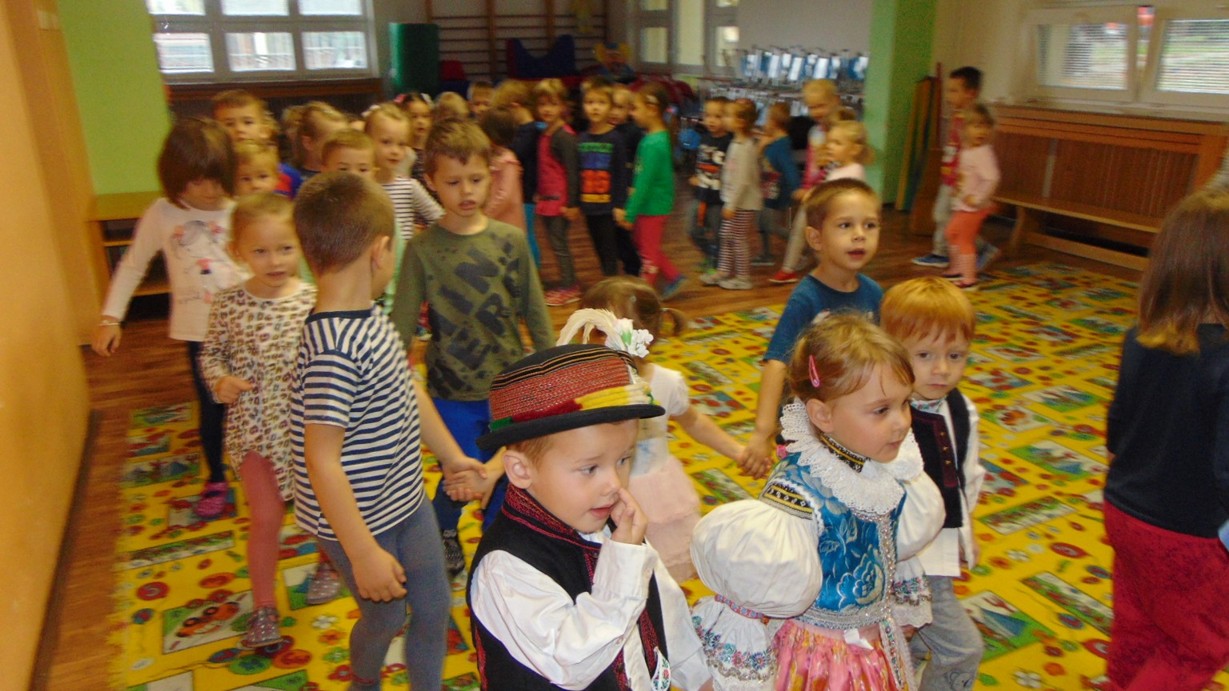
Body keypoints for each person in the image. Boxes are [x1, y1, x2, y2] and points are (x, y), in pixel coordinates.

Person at [290, 172, 485, 691]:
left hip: (404, 498)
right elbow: (321, 460)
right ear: (380, 252)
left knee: (435, 606)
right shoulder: (333, 349)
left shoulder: (369, 317)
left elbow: (407, 389)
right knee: (385, 615)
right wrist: (361, 553)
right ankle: (363, 681)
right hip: (354, 520)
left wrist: (450, 456)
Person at [466, 343, 714, 690]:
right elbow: (574, 663)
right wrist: (623, 563)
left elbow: (666, 608)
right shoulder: (506, 568)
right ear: (521, 470)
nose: (614, 484)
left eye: (623, 460)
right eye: (590, 468)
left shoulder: (615, 526)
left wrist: (699, 678)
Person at [390, 118, 554, 578]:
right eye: (453, 182)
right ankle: (444, 528)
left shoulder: (510, 240)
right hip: (450, 390)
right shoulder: (422, 249)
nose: (466, 191)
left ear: (490, 176)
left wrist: (549, 368)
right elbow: (401, 322)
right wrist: (390, 373)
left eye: (476, 180)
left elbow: (534, 308)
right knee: (461, 473)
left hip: (508, 387)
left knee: (507, 470)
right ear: (431, 181)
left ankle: (495, 541)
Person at [762, 314, 937, 689]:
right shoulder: (798, 492)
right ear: (823, 414)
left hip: (872, 641)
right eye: (881, 410)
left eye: (904, 404)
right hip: (818, 658)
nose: (902, 422)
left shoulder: (875, 467)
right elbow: (768, 585)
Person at [1103, 190, 1229, 690]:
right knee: (1196, 647)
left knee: (1137, 627)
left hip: (1124, 511)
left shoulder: (1139, 337)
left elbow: (1117, 430)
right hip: (1191, 537)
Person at [92, 117, 247, 521]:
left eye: (215, 179)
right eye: (196, 181)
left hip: (251, 330)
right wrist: (111, 317)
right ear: (175, 177)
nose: (208, 191)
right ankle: (216, 477)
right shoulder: (162, 214)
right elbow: (132, 265)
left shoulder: (242, 211)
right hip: (200, 335)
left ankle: (274, 469)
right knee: (212, 407)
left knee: (258, 402)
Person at [198, 193, 326, 646]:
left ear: (301, 246)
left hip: (307, 430)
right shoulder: (228, 303)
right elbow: (211, 353)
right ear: (237, 252)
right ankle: (265, 607)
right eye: (261, 251)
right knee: (266, 518)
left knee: (322, 511)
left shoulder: (314, 300)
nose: (275, 261)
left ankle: (328, 565)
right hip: (253, 431)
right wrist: (220, 380)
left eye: (285, 248)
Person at [573, 278, 745, 580]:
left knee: (659, 575)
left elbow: (693, 421)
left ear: (643, 335)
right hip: (601, 494)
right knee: (609, 573)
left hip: (657, 496)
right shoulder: (581, 386)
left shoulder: (666, 382)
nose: (593, 340)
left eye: (605, 331)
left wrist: (738, 451)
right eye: (589, 329)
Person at [880, 277, 986, 690]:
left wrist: (964, 535)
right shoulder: (884, 413)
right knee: (961, 650)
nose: (942, 369)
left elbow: (967, 476)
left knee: (903, 646)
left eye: (955, 355)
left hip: (938, 556)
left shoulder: (961, 408)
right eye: (925, 355)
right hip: (899, 560)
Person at [742, 178, 885, 477]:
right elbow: (777, 362)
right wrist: (762, 431)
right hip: (809, 422)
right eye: (845, 225)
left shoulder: (874, 294)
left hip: (852, 414)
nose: (860, 235)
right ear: (816, 238)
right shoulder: (807, 298)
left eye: (870, 225)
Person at [913, 67, 999, 272]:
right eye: (948, 90)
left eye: (953, 91)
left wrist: (965, 185)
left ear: (971, 93)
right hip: (952, 180)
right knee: (948, 218)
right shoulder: (958, 116)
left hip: (960, 183)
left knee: (945, 216)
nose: (948, 96)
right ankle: (949, 251)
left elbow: (976, 161)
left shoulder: (973, 123)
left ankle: (948, 252)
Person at [617, 82, 687, 301]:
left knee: (647, 254)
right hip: (652, 205)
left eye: (635, 108)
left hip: (652, 207)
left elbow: (645, 183)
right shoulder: (657, 138)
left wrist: (629, 213)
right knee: (647, 245)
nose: (632, 114)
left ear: (652, 110)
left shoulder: (652, 143)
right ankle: (674, 277)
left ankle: (643, 295)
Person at [771, 79, 841, 285]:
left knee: (828, 234)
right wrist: (806, 186)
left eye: (821, 105)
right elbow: (812, 165)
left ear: (835, 101)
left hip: (834, 192)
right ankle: (789, 268)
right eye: (811, 107)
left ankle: (833, 271)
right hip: (815, 191)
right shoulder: (814, 132)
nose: (816, 111)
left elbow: (836, 165)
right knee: (801, 228)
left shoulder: (841, 132)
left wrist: (817, 188)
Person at [701, 99, 762, 291]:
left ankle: (743, 278)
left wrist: (731, 204)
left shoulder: (745, 147)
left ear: (741, 122)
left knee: (737, 239)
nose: (725, 119)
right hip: (735, 201)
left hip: (743, 203)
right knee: (726, 236)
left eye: (728, 115)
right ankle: (723, 271)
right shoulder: (737, 143)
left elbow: (743, 181)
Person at [577, 77, 634, 277]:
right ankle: (608, 282)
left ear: (610, 107)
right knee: (599, 249)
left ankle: (612, 286)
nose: (595, 107)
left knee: (610, 251)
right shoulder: (582, 138)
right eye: (590, 102)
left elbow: (620, 174)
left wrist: (619, 205)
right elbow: (578, 172)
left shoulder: (615, 138)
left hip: (608, 208)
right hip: (589, 206)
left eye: (601, 103)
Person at [532, 78, 582, 306]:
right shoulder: (546, 133)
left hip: (560, 203)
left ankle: (570, 286)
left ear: (562, 105)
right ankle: (567, 282)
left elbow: (573, 172)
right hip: (547, 200)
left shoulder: (564, 136)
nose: (546, 109)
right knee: (555, 243)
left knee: (560, 244)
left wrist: (572, 204)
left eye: (552, 104)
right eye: (542, 104)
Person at [940, 104, 999, 291]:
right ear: (964, 128)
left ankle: (969, 278)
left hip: (974, 208)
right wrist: (957, 190)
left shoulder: (982, 153)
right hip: (963, 205)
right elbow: (966, 176)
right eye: (976, 126)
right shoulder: (969, 151)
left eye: (985, 126)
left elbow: (992, 178)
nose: (981, 131)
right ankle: (958, 268)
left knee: (964, 240)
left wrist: (978, 198)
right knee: (951, 233)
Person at [364, 103, 443, 239]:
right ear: (368, 140)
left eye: (401, 144)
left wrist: (422, 241)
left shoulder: (409, 187)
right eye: (386, 142)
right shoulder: (362, 187)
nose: (395, 151)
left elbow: (440, 218)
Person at [211, 89, 301, 198]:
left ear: (264, 130)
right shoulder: (214, 176)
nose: (239, 129)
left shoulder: (288, 176)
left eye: (248, 122)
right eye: (229, 124)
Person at [491, 79, 542, 266]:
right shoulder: (523, 130)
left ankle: (533, 269)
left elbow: (514, 153)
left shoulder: (530, 131)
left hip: (526, 193)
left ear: (514, 107)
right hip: (519, 193)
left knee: (526, 235)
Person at [689, 96, 732, 272]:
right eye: (708, 115)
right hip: (701, 195)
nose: (711, 120)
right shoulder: (704, 139)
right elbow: (701, 162)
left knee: (718, 234)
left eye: (718, 116)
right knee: (692, 230)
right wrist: (696, 176)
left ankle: (719, 263)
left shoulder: (730, 143)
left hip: (719, 199)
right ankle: (710, 255)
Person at [756, 101, 801, 267]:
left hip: (776, 192)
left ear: (774, 122)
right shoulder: (773, 142)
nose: (765, 123)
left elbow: (790, 169)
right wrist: (761, 147)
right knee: (761, 223)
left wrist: (796, 189)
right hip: (766, 190)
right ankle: (766, 254)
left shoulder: (782, 145)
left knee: (771, 225)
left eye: (767, 119)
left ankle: (802, 249)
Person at [478, 106, 529, 231]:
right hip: (493, 222)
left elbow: (505, 197)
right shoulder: (491, 157)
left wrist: (486, 214)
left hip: (506, 223)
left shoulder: (508, 162)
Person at [284, 101, 347, 182]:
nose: (344, 147)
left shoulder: (349, 174)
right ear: (308, 143)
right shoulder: (287, 178)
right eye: (333, 142)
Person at [395, 91, 435, 190]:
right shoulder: (404, 153)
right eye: (414, 117)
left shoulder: (435, 148)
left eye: (425, 116)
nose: (420, 121)